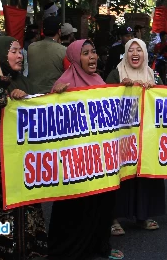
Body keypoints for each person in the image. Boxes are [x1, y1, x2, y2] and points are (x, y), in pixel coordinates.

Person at [48, 39, 124, 260]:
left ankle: (100, 247)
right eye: (85, 53)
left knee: (101, 206)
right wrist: (57, 97)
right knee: (75, 208)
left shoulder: (99, 80)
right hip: (75, 164)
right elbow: (51, 123)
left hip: (99, 161)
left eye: (93, 52)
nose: (92, 57)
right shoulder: (64, 83)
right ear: (74, 58)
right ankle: (71, 250)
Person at [0, 37, 48, 260]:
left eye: (20, 51)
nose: (20, 55)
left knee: (25, 205)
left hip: (21, 154)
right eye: (14, 51)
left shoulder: (22, 81)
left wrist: (24, 99)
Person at [106, 38, 165, 235]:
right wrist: (121, 88)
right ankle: (113, 218)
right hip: (123, 137)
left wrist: (154, 89)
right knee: (121, 176)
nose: (134, 54)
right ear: (125, 53)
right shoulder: (116, 73)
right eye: (130, 50)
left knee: (145, 175)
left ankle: (143, 215)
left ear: (145, 54)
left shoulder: (153, 74)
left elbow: (165, 99)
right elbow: (104, 100)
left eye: (138, 50)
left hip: (146, 136)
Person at [27, 16, 66, 94]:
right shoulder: (64, 50)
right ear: (59, 31)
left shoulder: (31, 47)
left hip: (32, 94)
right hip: (54, 94)